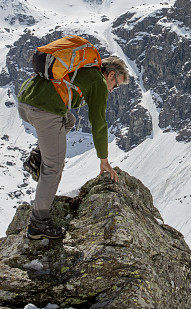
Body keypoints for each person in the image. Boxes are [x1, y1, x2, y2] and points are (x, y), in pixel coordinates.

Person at [16, 55, 129, 239]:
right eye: (115, 85)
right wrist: (104, 160)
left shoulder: (85, 68)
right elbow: (98, 123)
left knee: (69, 120)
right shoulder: (99, 82)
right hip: (43, 110)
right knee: (53, 168)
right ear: (110, 75)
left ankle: (37, 156)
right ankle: (38, 224)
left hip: (25, 101)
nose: (112, 90)